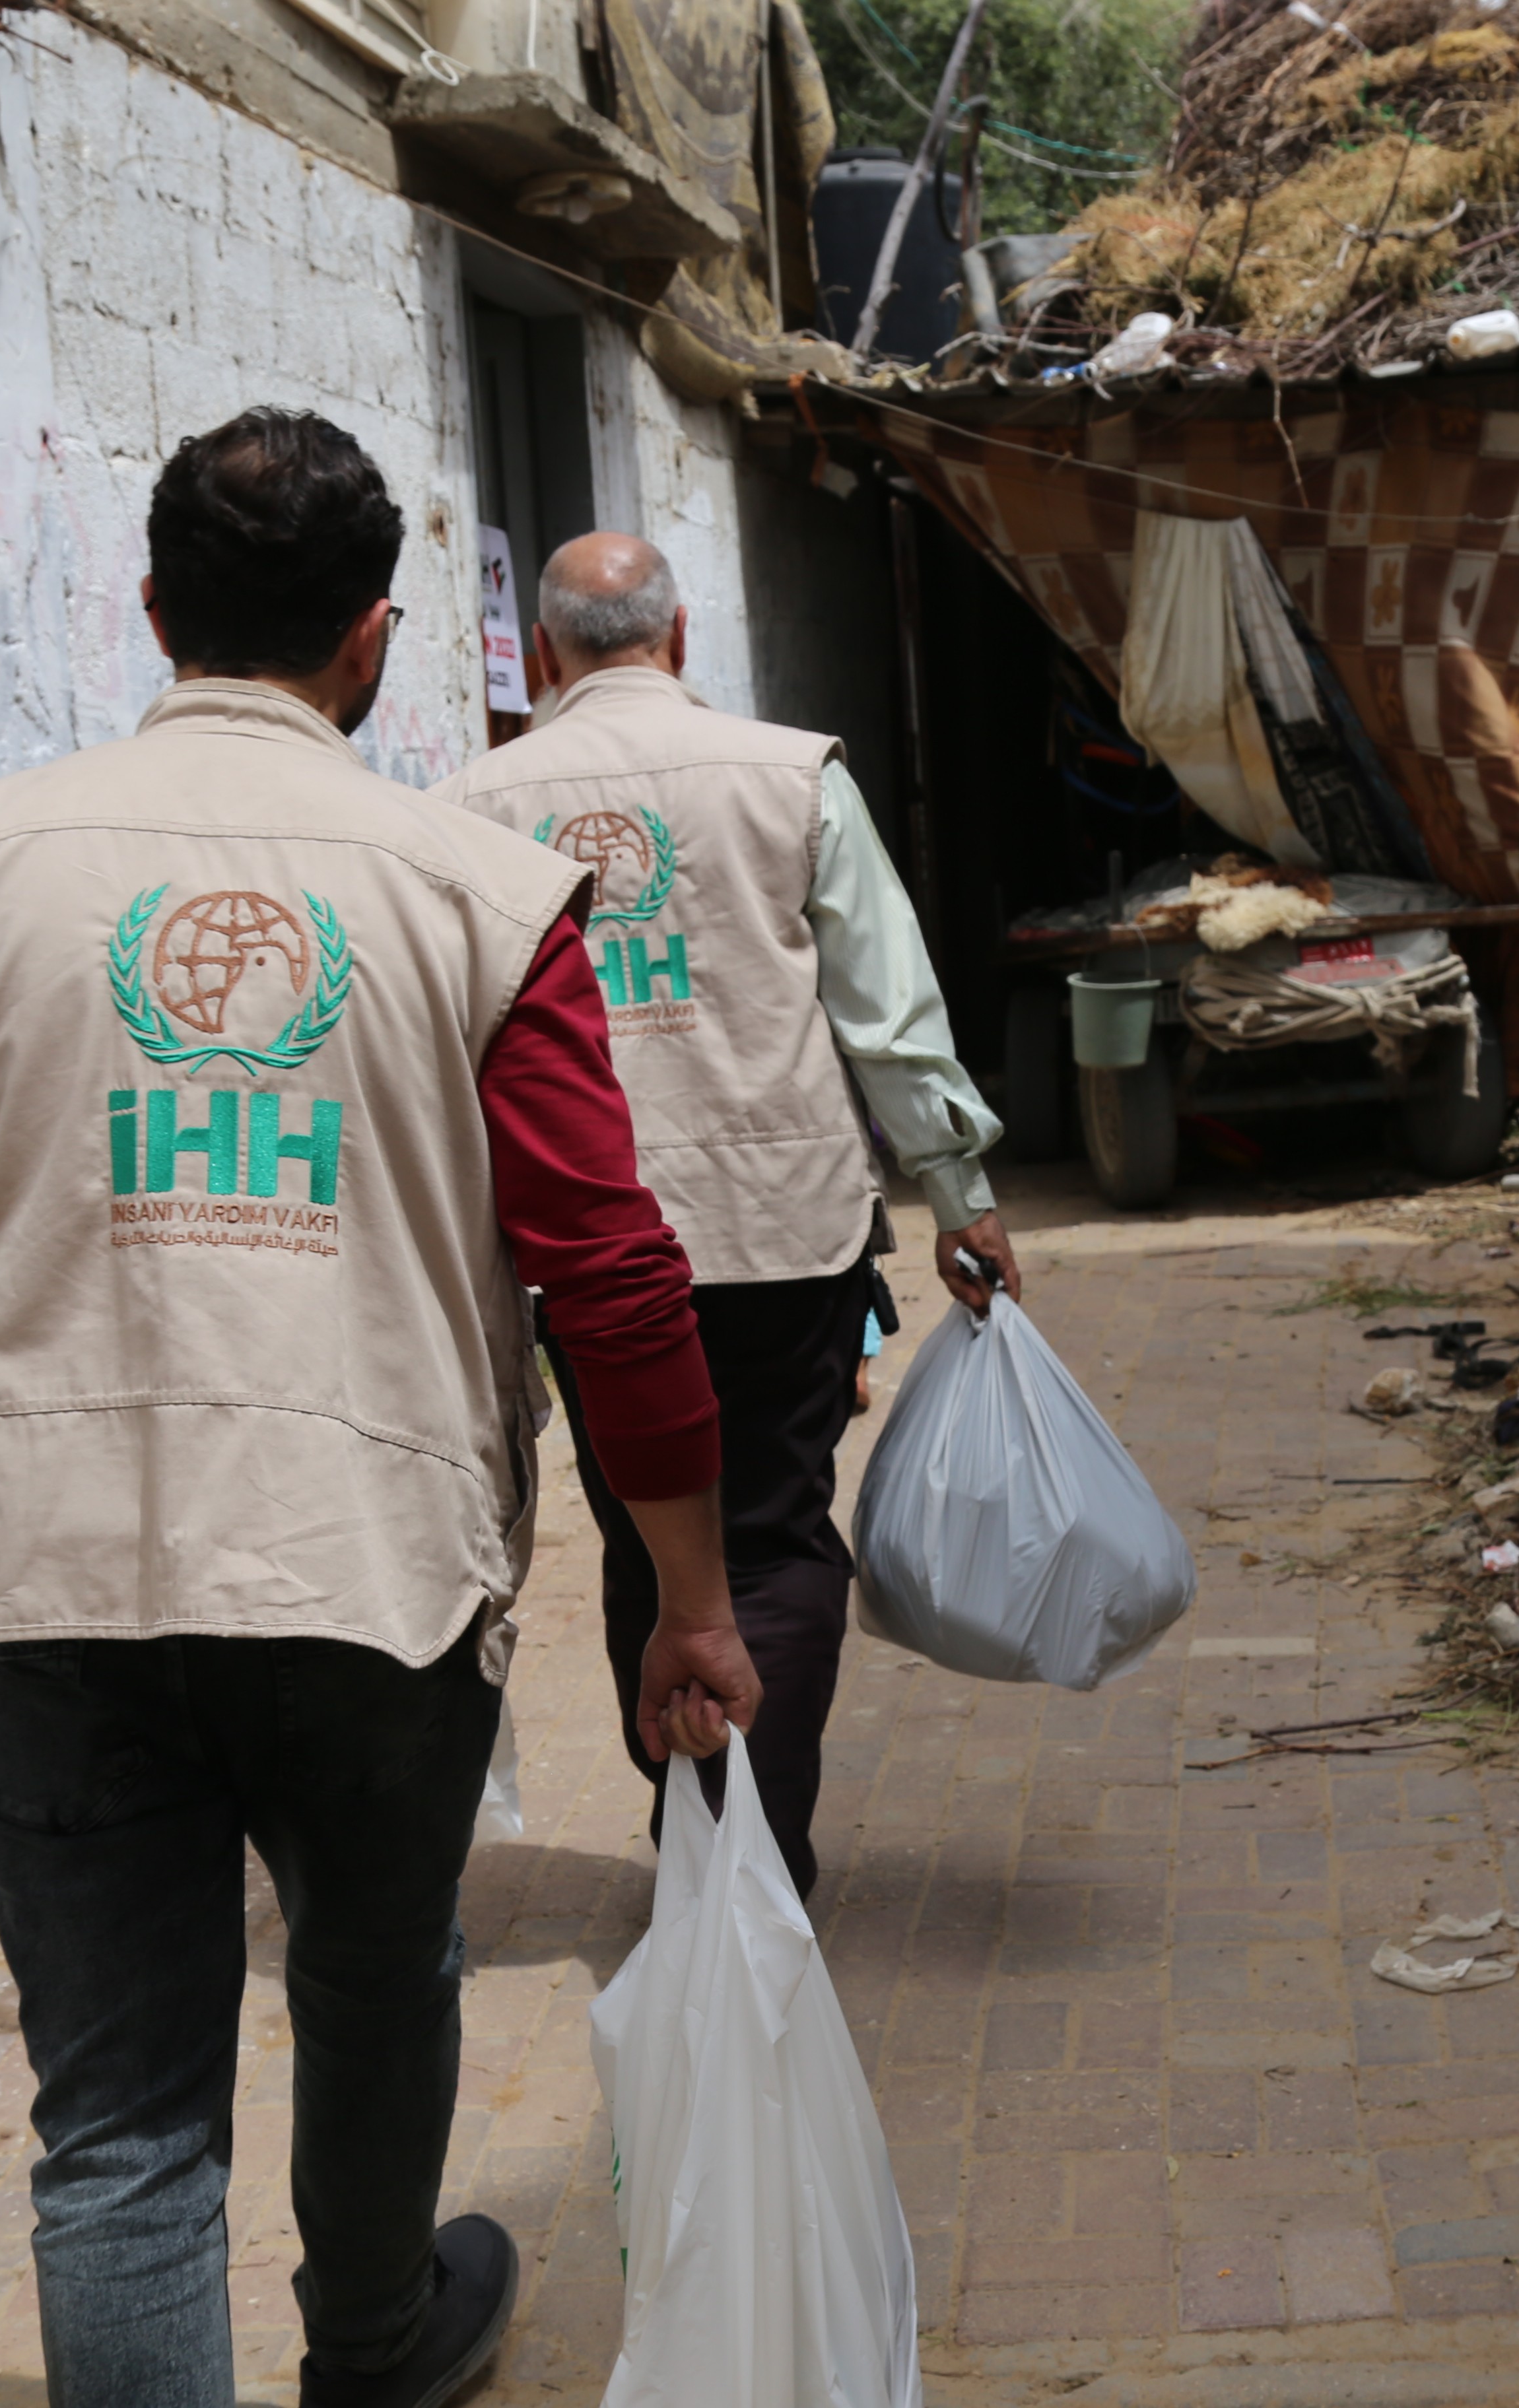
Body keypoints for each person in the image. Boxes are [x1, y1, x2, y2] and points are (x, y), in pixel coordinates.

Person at [0, 412, 762, 2408]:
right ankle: (372, 2344)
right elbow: (612, 1279)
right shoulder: (485, 891)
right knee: (380, 1991)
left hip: (51, 1587)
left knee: (119, 2127)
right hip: (368, 1578)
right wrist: (694, 1600)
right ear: (376, 640)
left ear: (151, 614)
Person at [433, 533, 1013, 1898]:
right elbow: (888, 1012)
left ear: (540, 654)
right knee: (775, 1532)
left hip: (582, 1248)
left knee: (648, 1531)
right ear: (679, 639)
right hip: (781, 1227)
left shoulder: (471, 802)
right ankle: (762, 1850)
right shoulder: (790, 775)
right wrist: (961, 1193)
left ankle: (699, 1830)